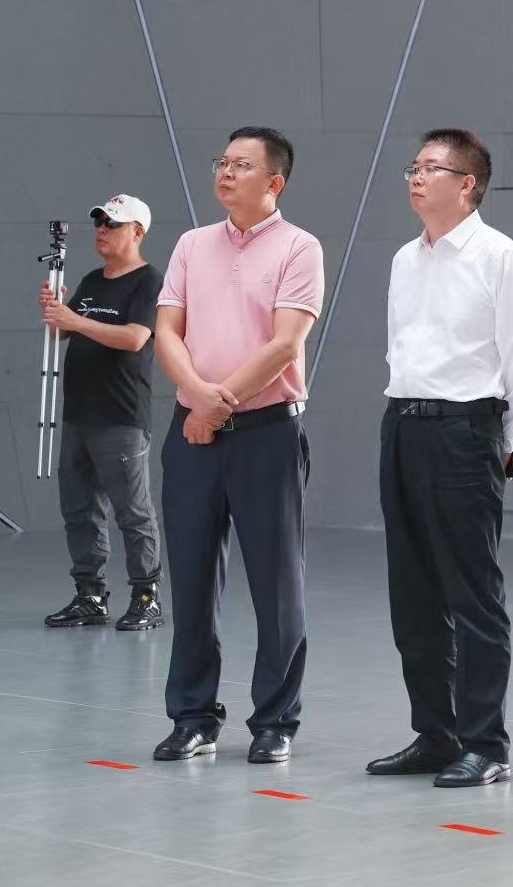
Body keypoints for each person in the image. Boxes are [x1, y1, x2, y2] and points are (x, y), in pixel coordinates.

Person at [366, 129, 513, 788]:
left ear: (467, 184)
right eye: (412, 167)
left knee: (473, 595)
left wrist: (499, 444)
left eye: (430, 168)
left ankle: (486, 743)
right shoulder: (404, 259)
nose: (415, 177)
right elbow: (400, 347)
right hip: (403, 425)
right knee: (412, 595)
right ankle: (435, 735)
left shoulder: (500, 256)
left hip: (467, 430)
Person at [149, 127, 324, 766]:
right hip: (191, 433)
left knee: (277, 586)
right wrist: (197, 399)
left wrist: (214, 405)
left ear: (274, 182)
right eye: (222, 162)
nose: (225, 172)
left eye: (242, 165)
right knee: (192, 580)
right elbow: (166, 331)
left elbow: (285, 344)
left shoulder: (300, 247)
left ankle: (275, 721)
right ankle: (193, 717)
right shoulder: (192, 244)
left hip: (266, 433)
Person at [38, 195, 164, 631]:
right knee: (79, 508)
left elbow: (135, 338)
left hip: (121, 416)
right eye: (99, 223)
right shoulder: (92, 280)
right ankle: (90, 595)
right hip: (79, 414)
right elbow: (62, 336)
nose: (102, 230)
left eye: (113, 224)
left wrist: (74, 321)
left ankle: (146, 597)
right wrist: (55, 314)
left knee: (133, 512)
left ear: (137, 232)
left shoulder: (148, 281)